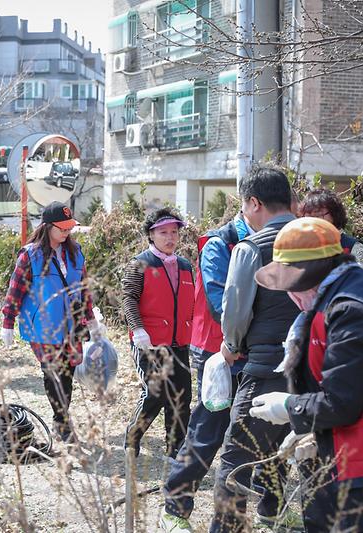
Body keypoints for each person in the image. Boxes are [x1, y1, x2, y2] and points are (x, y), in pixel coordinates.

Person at [249, 217, 363, 533]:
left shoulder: (350, 311)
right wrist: (318, 436)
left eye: (296, 286)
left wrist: (290, 407)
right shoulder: (358, 294)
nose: (294, 298)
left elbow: (342, 403)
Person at [210, 165, 301, 533]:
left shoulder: (252, 247)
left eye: (244, 206)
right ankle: (275, 517)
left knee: (234, 462)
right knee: (286, 453)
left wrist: (231, 346)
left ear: (254, 202)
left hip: (265, 370)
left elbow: (235, 309)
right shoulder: (325, 241)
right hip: (315, 376)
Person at [159, 212, 253, 532]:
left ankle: (237, 517)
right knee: (209, 430)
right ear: (254, 205)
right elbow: (219, 304)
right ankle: (175, 504)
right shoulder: (219, 244)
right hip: (218, 352)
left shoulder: (266, 239)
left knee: (245, 436)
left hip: (252, 352)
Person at [1, 202, 100, 442]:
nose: (66, 233)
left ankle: (60, 419)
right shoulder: (31, 254)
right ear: (47, 227)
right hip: (43, 326)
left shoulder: (76, 253)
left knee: (67, 372)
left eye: (69, 228)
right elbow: (16, 289)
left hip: (73, 325)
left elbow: (83, 289)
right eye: (62, 229)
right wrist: (7, 322)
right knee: (53, 373)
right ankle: (63, 422)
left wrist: (91, 318)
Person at [122, 207, 194, 459]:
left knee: (182, 396)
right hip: (149, 342)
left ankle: (175, 451)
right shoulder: (139, 263)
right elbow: (129, 298)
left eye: (174, 232)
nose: (170, 237)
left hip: (179, 342)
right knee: (155, 393)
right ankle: (133, 436)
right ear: (151, 235)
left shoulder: (185, 265)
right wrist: (138, 329)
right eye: (163, 232)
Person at [299, 188, 363, 270]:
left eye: (318, 215)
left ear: (334, 214)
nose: (314, 221)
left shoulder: (352, 246)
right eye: (309, 217)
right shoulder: (301, 246)